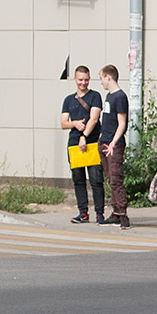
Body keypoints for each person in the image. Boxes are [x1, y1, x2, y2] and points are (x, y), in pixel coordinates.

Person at [60, 65, 104, 224]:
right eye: (80, 80)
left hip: (92, 142)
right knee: (78, 179)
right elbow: (63, 123)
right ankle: (83, 212)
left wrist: (84, 136)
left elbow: (94, 118)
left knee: (96, 180)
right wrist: (75, 124)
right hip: (73, 144)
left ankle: (99, 212)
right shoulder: (68, 100)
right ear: (75, 79)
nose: (83, 83)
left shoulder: (95, 96)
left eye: (86, 80)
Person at [98, 64, 131, 230]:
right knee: (110, 178)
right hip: (104, 141)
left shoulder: (119, 97)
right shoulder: (108, 97)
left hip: (114, 144)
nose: (101, 82)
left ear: (108, 77)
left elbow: (122, 123)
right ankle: (116, 211)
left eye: (102, 78)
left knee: (116, 178)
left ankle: (123, 213)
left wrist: (113, 142)